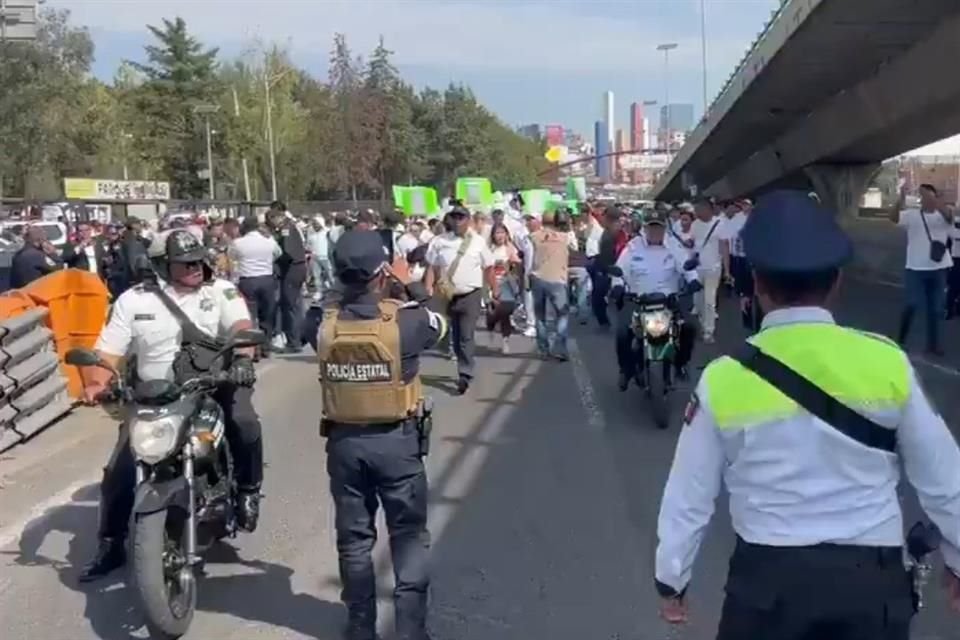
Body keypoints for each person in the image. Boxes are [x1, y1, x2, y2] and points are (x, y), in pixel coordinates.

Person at [655, 190, 960, 639]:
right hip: (870, 589)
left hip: (766, 586)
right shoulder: (886, 362)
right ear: (837, 282)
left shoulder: (722, 378)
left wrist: (672, 579)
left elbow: (689, 495)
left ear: (756, 283)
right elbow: (943, 477)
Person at [77, 229, 265, 582]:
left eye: (199, 259)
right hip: (155, 398)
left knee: (245, 423)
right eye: (185, 263)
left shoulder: (219, 290)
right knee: (119, 471)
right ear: (163, 265)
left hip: (213, 386)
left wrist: (242, 358)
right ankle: (111, 544)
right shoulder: (134, 300)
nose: (196, 266)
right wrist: (96, 384)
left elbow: (241, 324)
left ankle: (248, 491)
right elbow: (107, 352)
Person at [318, 230, 447, 640]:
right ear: (382, 271)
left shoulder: (321, 323)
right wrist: (407, 282)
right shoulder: (407, 321)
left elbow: (327, 306)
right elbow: (438, 322)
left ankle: (360, 628)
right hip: (397, 444)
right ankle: (410, 632)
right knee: (408, 539)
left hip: (344, 445)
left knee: (354, 542)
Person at [610, 209, 700, 391]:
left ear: (664, 228)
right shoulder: (633, 246)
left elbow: (686, 266)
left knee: (689, 327)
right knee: (622, 333)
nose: (655, 232)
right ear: (645, 228)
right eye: (651, 228)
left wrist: (694, 280)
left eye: (658, 228)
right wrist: (617, 285)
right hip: (638, 300)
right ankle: (626, 370)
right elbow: (620, 270)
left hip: (669, 301)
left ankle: (681, 363)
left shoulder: (674, 246)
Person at [424, 206, 495, 395]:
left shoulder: (478, 242)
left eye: (461, 217)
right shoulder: (439, 242)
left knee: (465, 335)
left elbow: (488, 267)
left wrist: (494, 290)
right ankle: (463, 362)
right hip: (447, 295)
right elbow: (432, 266)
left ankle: (465, 373)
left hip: (470, 295)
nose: (458, 221)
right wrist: (428, 289)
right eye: (454, 217)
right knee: (453, 337)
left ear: (468, 220)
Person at [890, 183, 952, 355]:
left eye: (928, 196)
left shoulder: (942, 216)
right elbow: (893, 218)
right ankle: (900, 340)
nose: (925, 200)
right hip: (915, 269)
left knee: (936, 309)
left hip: (939, 269)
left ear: (935, 197)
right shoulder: (912, 215)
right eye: (922, 197)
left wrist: (937, 200)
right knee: (912, 304)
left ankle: (933, 345)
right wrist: (900, 199)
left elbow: (948, 217)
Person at [232, 215, 283, 356]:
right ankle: (266, 345)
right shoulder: (268, 241)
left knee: (250, 315)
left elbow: (232, 257)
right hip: (266, 278)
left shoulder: (238, 243)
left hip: (247, 279)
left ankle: (254, 348)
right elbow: (278, 253)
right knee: (267, 314)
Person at [528, 209, 574, 360]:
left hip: (538, 278)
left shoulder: (534, 237)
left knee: (540, 316)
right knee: (562, 314)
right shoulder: (565, 237)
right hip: (557, 280)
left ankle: (543, 349)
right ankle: (560, 347)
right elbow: (575, 247)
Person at [267, 201, 308, 353]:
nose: (272, 220)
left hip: (292, 269)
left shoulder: (287, 228)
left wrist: (275, 261)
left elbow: (288, 253)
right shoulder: (288, 227)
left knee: (290, 306)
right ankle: (297, 338)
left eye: (273, 216)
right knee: (294, 305)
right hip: (295, 268)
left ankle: (294, 341)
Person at [690, 197, 728, 343]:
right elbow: (691, 244)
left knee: (709, 300)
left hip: (713, 268)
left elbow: (724, 247)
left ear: (708, 209)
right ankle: (703, 322)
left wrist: (727, 269)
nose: (696, 212)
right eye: (696, 210)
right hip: (697, 269)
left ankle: (708, 330)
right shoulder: (695, 225)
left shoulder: (720, 224)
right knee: (698, 301)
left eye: (699, 209)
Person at [486, 222, 522, 353]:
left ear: (506, 234)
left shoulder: (510, 248)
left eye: (502, 232)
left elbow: (517, 262)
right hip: (491, 282)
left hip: (507, 283)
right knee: (494, 312)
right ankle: (490, 324)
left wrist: (513, 263)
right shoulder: (488, 248)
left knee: (505, 311)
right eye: (497, 233)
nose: (500, 235)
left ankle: (505, 341)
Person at [306, 215, 333, 298]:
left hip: (326, 257)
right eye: (314, 224)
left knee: (330, 275)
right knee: (316, 276)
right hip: (315, 257)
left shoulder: (327, 232)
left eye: (317, 223)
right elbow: (308, 245)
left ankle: (334, 291)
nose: (315, 225)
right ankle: (319, 292)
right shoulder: (310, 233)